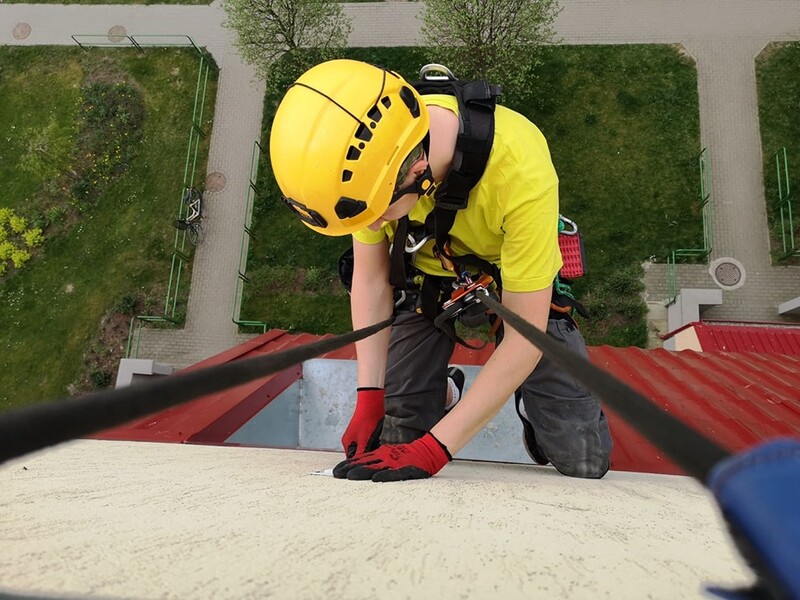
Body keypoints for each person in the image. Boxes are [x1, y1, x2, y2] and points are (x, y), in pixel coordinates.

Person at [269, 59, 612, 482]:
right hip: (428, 285)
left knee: (583, 461)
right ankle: (448, 390)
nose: (373, 227)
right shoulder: (371, 167)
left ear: (418, 171)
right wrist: (370, 395)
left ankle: (523, 393)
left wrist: (434, 451)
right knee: (396, 438)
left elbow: (525, 337)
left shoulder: (519, 168)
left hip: (516, 286)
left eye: (377, 215)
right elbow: (371, 279)